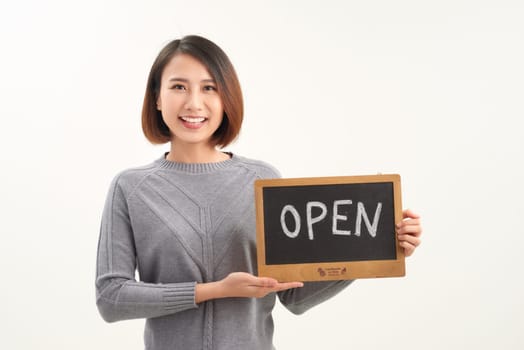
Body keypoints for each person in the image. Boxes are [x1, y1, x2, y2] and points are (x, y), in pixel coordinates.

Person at [95, 35, 422, 350]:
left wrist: (376, 249)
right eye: (179, 86)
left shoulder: (261, 180)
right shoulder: (131, 187)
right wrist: (214, 290)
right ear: (157, 97)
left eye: (209, 88)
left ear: (226, 99)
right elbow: (111, 298)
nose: (194, 103)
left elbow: (294, 296)